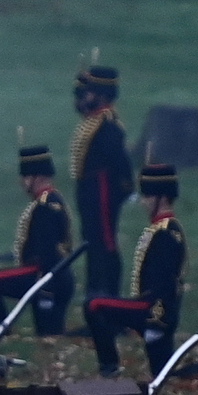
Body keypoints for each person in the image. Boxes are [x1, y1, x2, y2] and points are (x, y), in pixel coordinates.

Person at [84, 163, 186, 378]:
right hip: (152, 308)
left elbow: (165, 285)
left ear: (161, 198)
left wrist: (155, 321)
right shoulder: (163, 229)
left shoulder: (166, 233)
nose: (143, 202)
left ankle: (109, 367)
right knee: (166, 375)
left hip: (153, 311)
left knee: (93, 305)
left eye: (147, 196)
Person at [0, 144, 74, 335]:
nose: (21, 182)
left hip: (46, 277)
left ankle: (1, 332)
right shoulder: (50, 200)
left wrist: (45, 289)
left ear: (36, 177)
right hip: (50, 275)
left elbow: (48, 252)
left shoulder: (45, 206)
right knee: (48, 332)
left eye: (24, 177)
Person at [71, 65, 134, 300]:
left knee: (104, 244)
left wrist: (123, 189)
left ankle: (107, 298)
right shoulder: (93, 120)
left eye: (89, 92)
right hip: (90, 190)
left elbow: (117, 162)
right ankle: (94, 297)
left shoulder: (108, 124)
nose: (85, 96)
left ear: (101, 94)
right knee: (92, 243)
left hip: (103, 189)